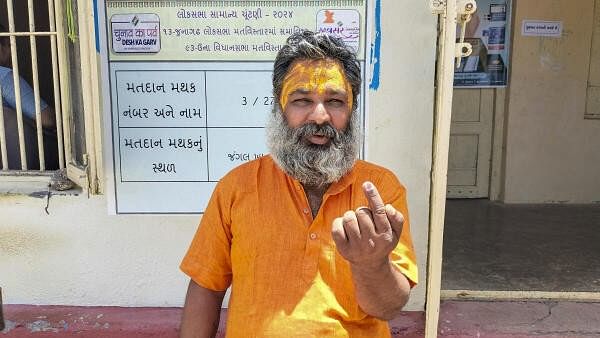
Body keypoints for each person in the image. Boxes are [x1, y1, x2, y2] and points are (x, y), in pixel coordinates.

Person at [179, 30, 418, 337]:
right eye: (302, 100)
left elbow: (388, 309)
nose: (319, 116)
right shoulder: (237, 187)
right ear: (280, 109)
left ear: (352, 110)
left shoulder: (381, 189)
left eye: (334, 101)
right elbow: (205, 287)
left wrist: (372, 265)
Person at [0, 23, 57, 169]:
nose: (11, 48)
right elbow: (47, 119)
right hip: (18, 169)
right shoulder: (4, 77)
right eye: (8, 43)